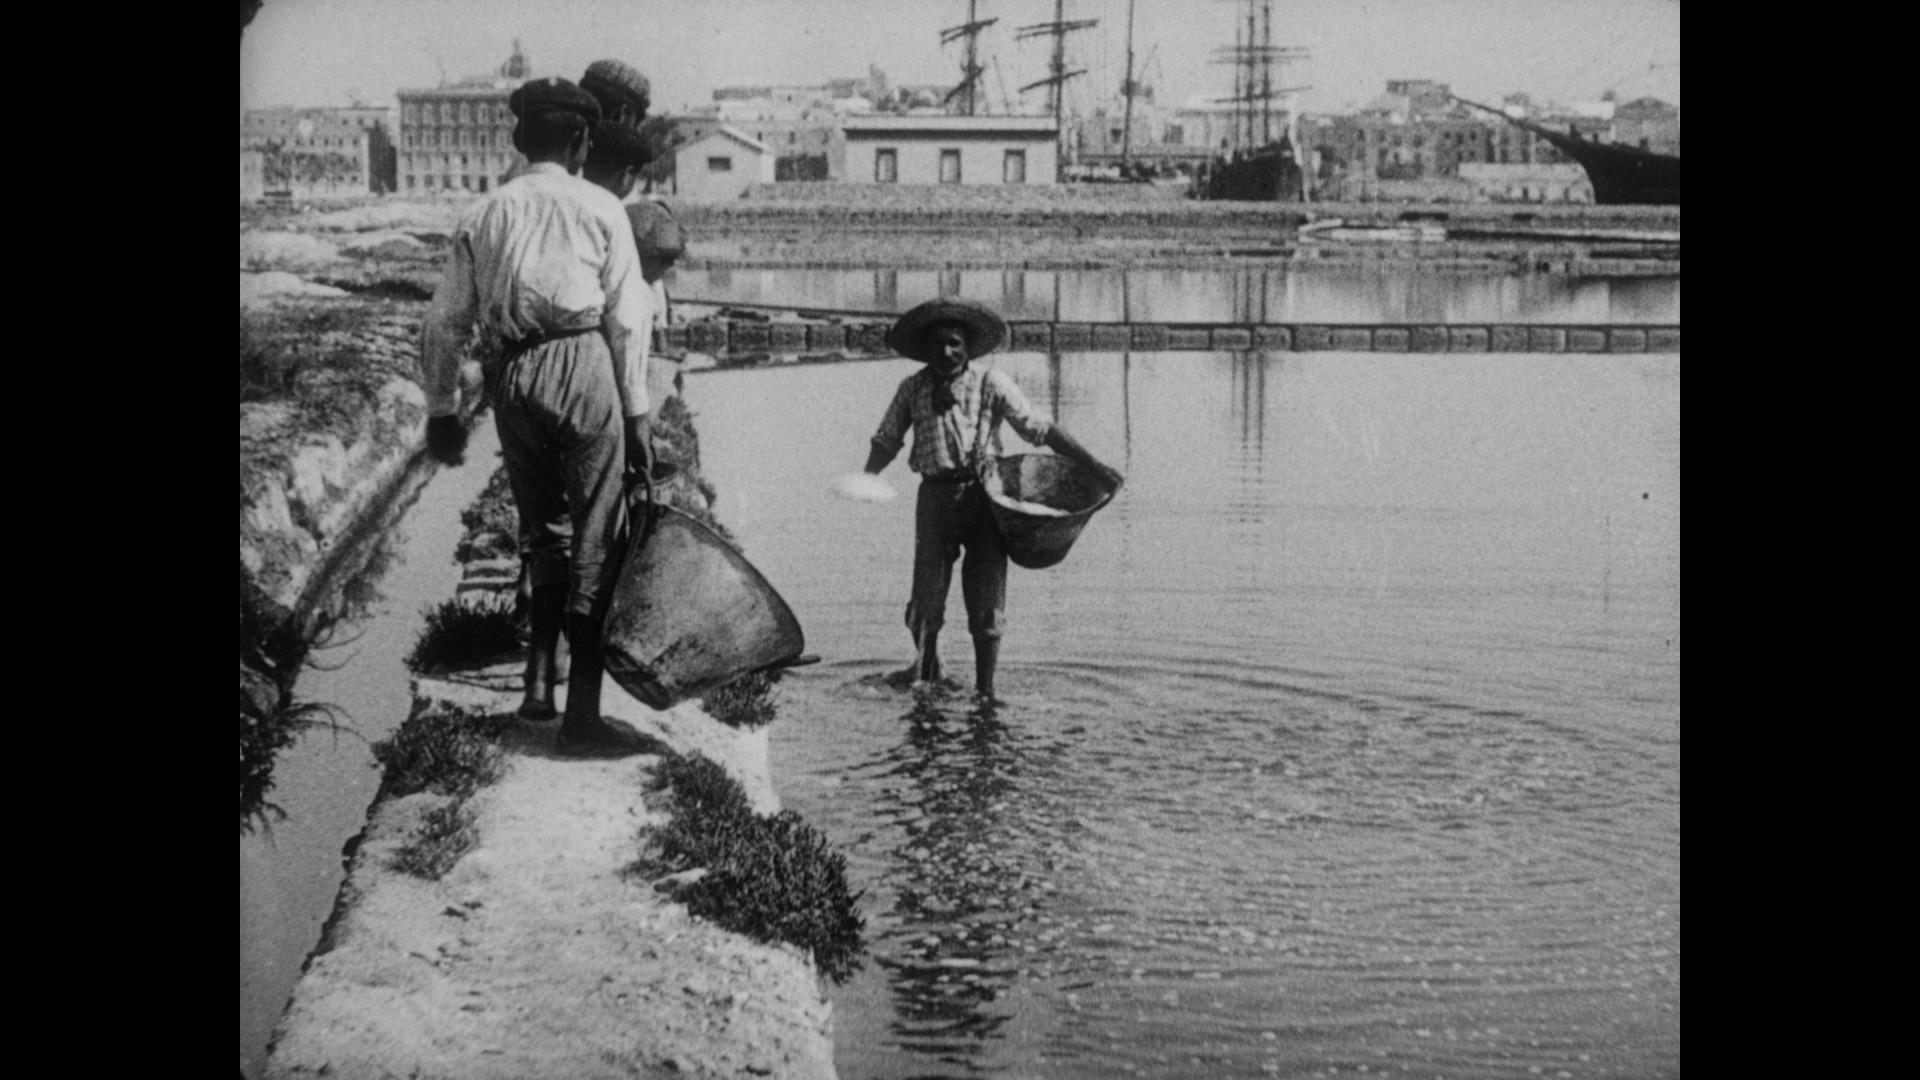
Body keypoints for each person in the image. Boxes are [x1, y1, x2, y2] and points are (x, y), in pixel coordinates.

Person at [420, 76, 656, 756]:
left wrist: (442, 410)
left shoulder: (484, 211)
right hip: (582, 363)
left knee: (543, 532)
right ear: (583, 142)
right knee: (597, 536)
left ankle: (537, 689)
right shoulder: (600, 206)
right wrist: (636, 414)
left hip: (512, 372)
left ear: (520, 140)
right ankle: (583, 718)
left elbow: (443, 323)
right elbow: (629, 317)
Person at [861, 299, 1124, 702]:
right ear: (925, 350)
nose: (945, 352)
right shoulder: (912, 388)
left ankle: (986, 692)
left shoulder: (992, 384)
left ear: (968, 347)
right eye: (937, 345)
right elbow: (887, 440)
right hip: (933, 500)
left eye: (954, 343)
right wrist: (865, 478)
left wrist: (1094, 466)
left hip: (987, 501)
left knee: (986, 610)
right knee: (926, 605)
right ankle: (928, 675)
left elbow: (1040, 428)